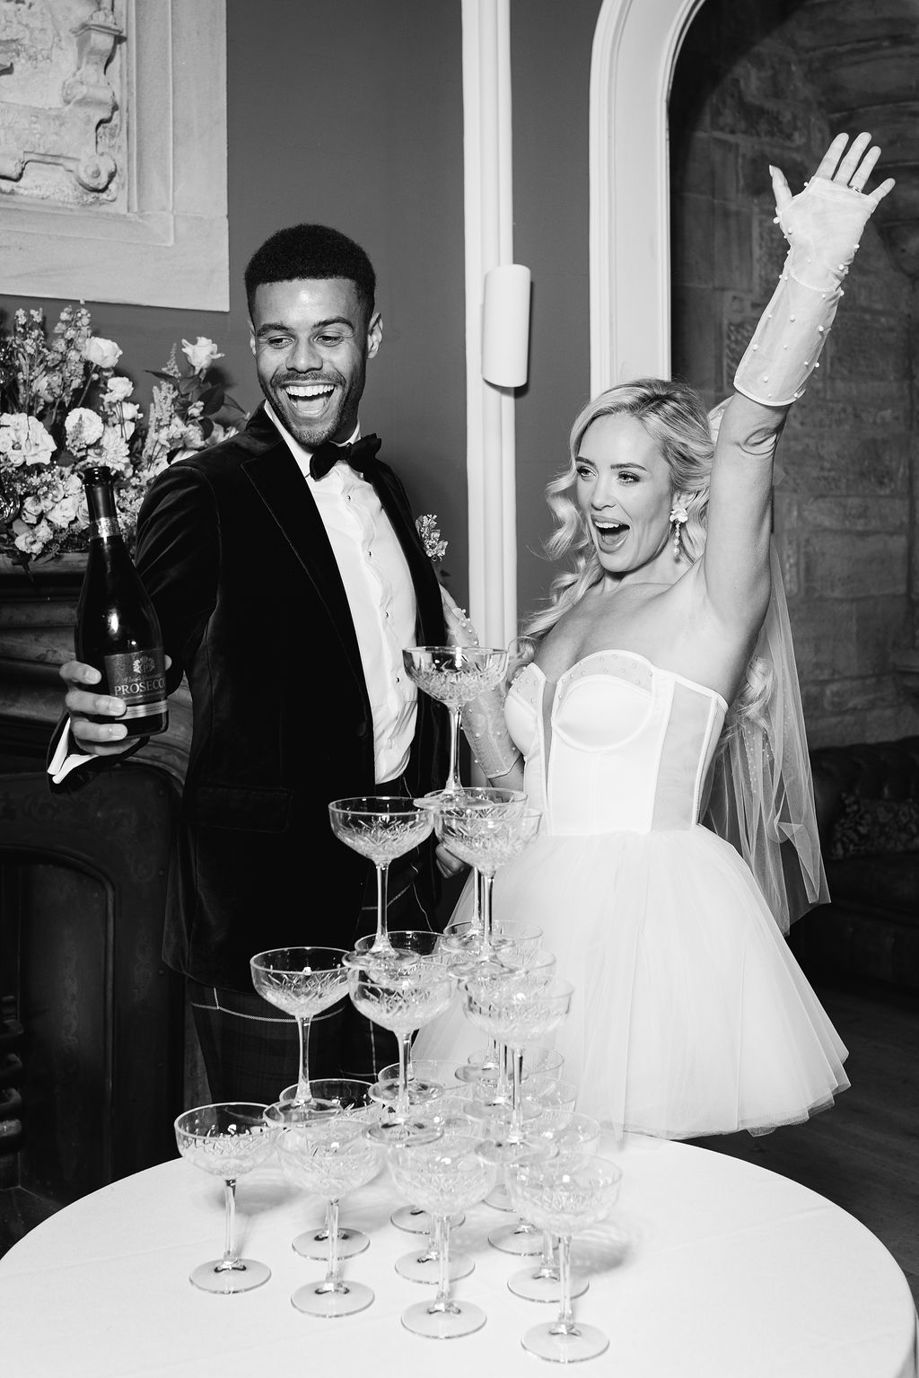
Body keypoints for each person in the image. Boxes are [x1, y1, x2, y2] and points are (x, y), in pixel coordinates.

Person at [416, 132, 896, 1140]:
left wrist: (814, 264)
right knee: (508, 1177)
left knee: (636, 1201)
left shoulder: (712, 605)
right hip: (520, 919)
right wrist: (475, 708)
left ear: (683, 493)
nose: (596, 495)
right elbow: (515, 801)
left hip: (649, 933)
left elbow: (753, 430)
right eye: (586, 470)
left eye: (626, 475)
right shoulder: (571, 612)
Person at [47, 223, 450, 1102]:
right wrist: (91, 727)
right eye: (277, 338)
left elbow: (408, 673)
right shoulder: (204, 493)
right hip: (269, 907)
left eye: (329, 335)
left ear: (371, 336)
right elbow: (131, 658)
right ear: (254, 342)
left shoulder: (382, 488)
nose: (301, 362)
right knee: (279, 1176)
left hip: (400, 887)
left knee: (396, 1147)